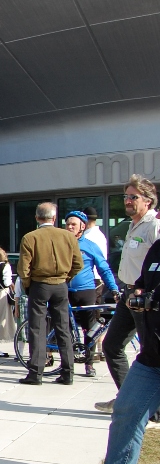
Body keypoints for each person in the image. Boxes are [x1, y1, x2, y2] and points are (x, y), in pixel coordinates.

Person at [70, 234, 160, 464]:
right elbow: (142, 283)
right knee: (126, 410)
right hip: (152, 356)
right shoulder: (157, 249)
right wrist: (139, 293)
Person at [96, 175, 160, 412]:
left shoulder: (154, 225)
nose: (128, 200)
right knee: (112, 345)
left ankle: (151, 409)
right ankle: (127, 400)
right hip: (128, 296)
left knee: (150, 355)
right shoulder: (132, 225)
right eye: (126, 196)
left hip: (146, 299)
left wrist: (150, 294)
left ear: (148, 201)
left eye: (133, 197)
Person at [16, 202, 82, 385]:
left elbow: (23, 268)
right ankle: (68, 373)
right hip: (61, 284)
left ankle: (35, 373)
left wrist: (28, 285)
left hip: (39, 284)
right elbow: (78, 263)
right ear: (54, 218)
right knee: (63, 328)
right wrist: (66, 277)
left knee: (37, 329)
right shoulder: (68, 237)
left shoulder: (30, 237)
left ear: (37, 218)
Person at [65, 211, 118, 377]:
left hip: (86, 291)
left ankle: (89, 363)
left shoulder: (90, 246)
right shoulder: (60, 244)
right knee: (63, 328)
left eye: (73, 224)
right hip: (64, 291)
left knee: (90, 328)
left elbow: (104, 269)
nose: (70, 227)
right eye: (67, 224)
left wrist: (114, 288)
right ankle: (66, 365)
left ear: (82, 226)